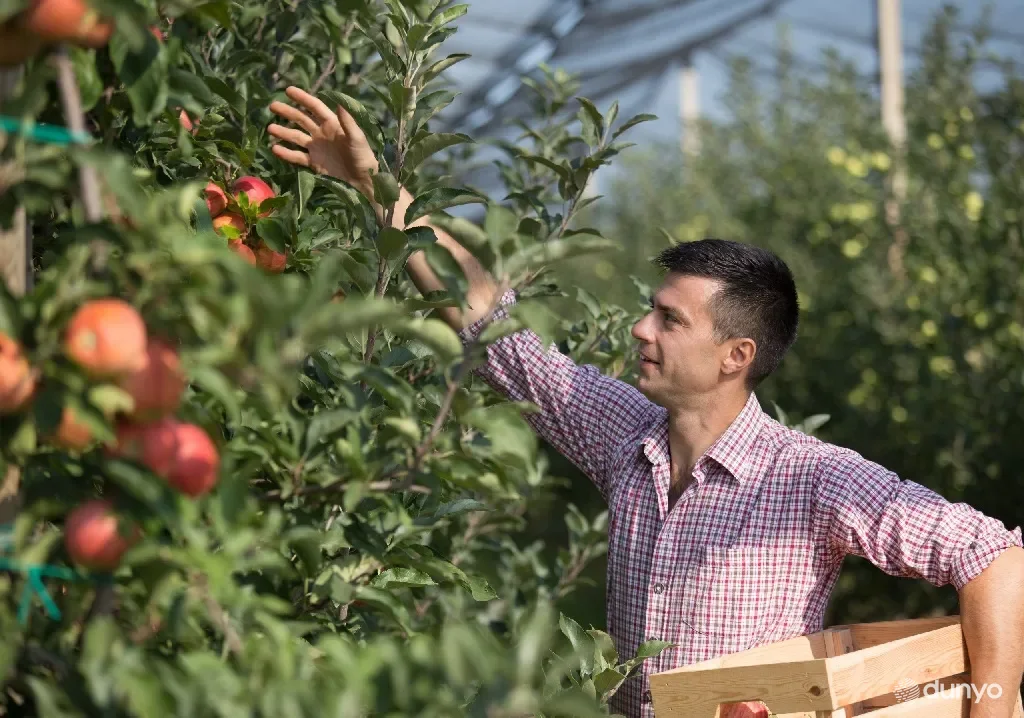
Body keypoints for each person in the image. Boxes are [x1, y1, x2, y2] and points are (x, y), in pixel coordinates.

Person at [267, 86, 1024, 718]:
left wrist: (990, 705)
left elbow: (992, 554)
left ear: (737, 356)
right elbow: (491, 324)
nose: (640, 328)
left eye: (670, 319)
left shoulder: (809, 479)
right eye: (648, 308)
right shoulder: (624, 434)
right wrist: (377, 188)